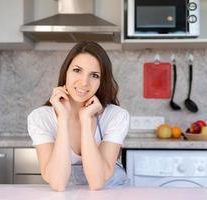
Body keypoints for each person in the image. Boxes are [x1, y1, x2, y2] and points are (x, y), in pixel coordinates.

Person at [27, 41, 130, 192]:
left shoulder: (116, 116)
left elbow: (96, 182)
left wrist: (86, 120)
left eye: (94, 75)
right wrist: (62, 118)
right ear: (65, 72)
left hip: (111, 193)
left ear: (101, 81)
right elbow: (58, 183)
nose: (84, 82)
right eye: (77, 70)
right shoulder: (40, 118)